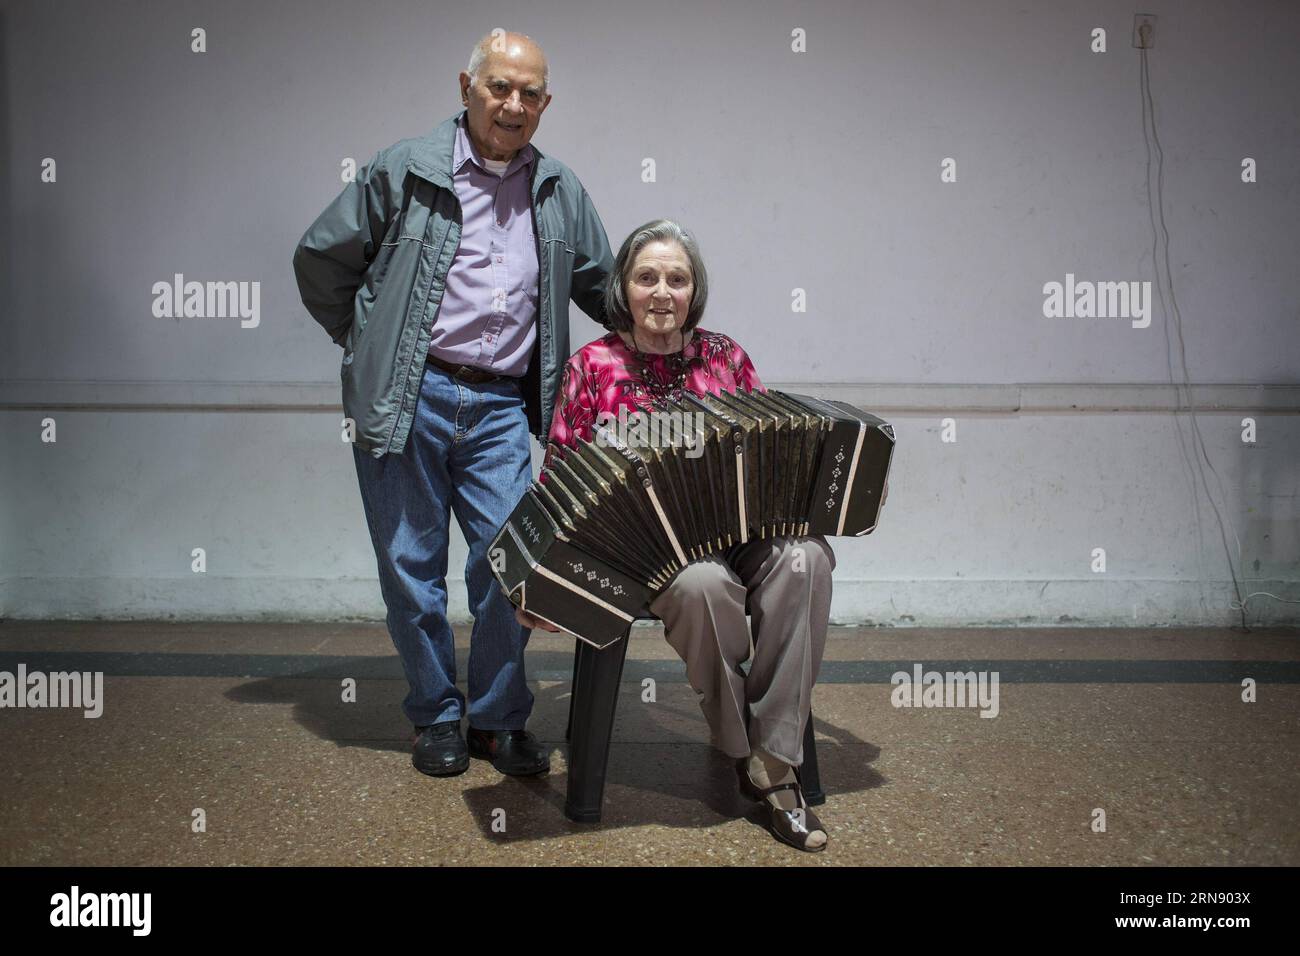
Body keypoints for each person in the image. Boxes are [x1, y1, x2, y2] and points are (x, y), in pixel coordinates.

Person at [292, 31, 614, 778]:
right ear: (465, 86)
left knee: (512, 562)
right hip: (414, 392)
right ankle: (435, 716)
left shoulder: (559, 189)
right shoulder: (404, 169)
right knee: (411, 566)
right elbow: (319, 259)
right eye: (499, 87)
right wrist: (369, 340)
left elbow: (602, 285)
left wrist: (668, 320)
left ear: (546, 103)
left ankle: (497, 721)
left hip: (503, 403)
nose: (513, 104)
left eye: (529, 93)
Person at [523, 219, 879, 851]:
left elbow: (768, 454)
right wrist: (543, 576)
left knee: (806, 561)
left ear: (694, 290)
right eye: (647, 277)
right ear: (624, 289)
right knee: (705, 586)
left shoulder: (725, 357)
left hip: (738, 530)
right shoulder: (592, 367)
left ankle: (768, 750)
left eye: (678, 279)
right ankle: (767, 763)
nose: (663, 292)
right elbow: (560, 479)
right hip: (651, 553)